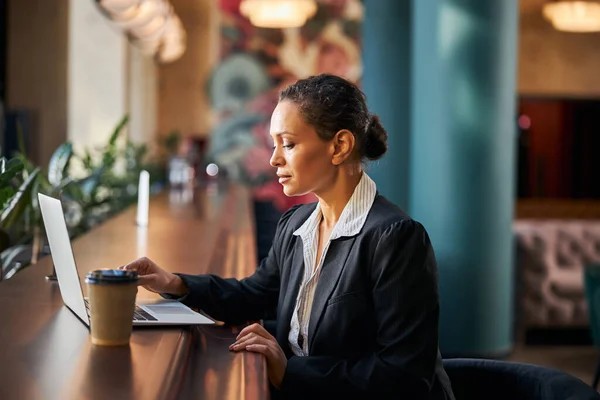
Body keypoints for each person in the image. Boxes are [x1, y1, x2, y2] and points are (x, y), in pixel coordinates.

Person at [121, 74, 455, 399]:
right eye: (274, 144)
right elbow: (255, 294)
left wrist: (290, 372)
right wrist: (174, 283)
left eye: (289, 144)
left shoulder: (395, 237)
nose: (274, 159)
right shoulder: (296, 224)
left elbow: (404, 377)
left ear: (339, 146)